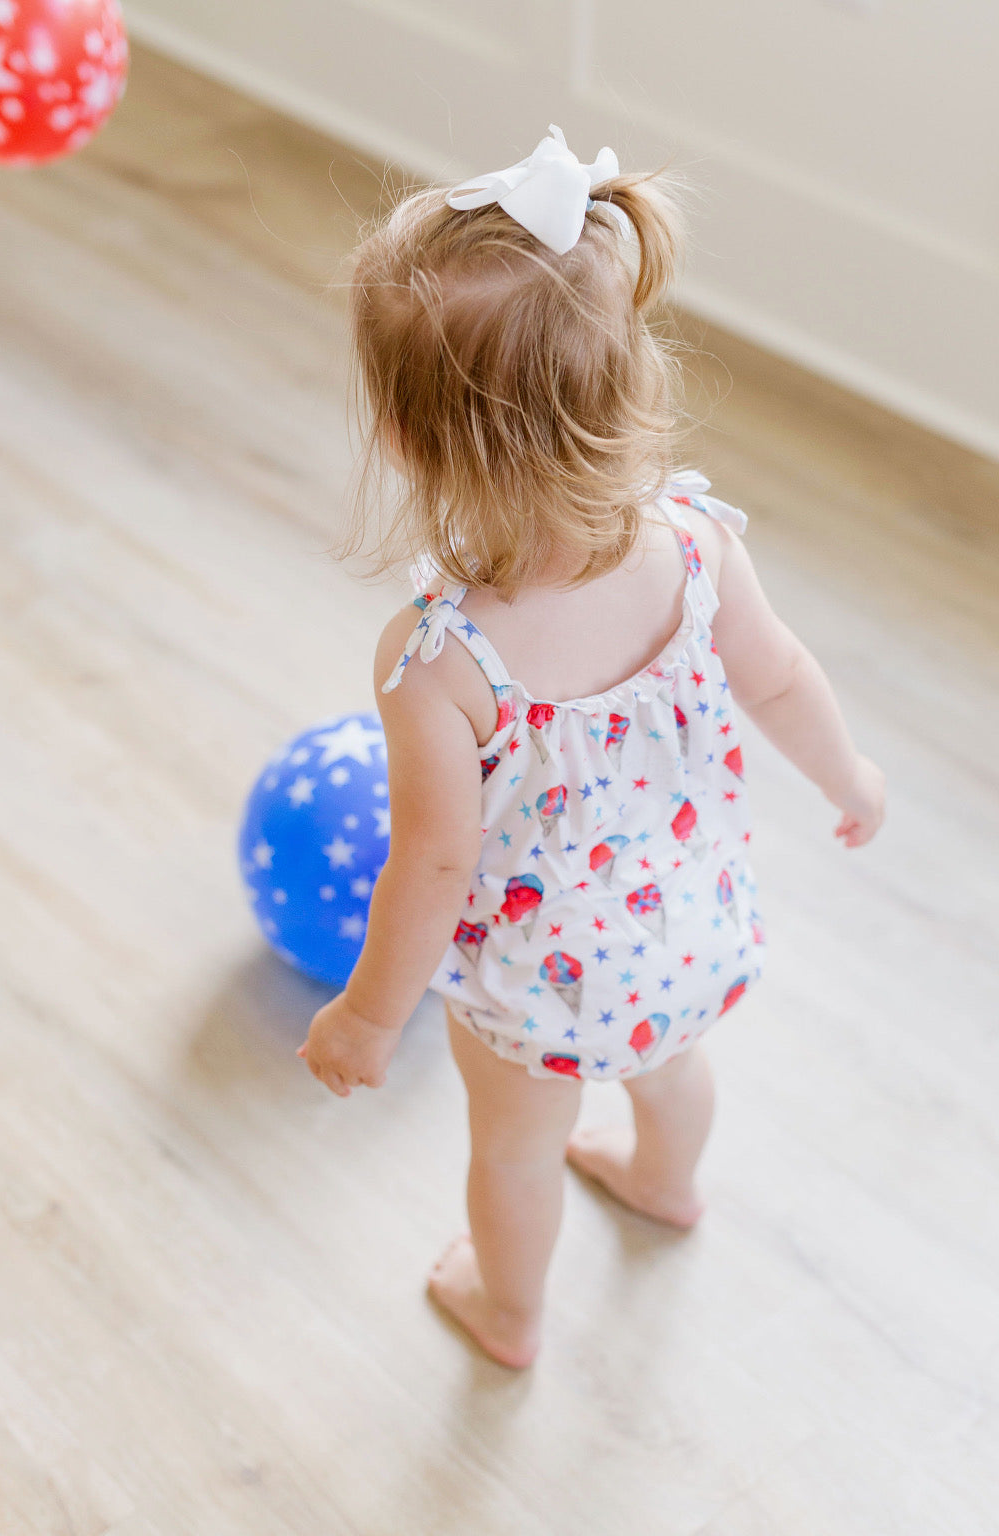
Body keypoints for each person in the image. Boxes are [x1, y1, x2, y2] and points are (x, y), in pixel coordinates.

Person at [297, 125, 886, 1368]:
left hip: (535, 984)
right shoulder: (695, 543)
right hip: (681, 931)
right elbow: (779, 677)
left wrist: (365, 1013)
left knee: (513, 1147)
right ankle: (665, 1183)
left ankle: (507, 1311)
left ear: (409, 439)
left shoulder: (437, 660)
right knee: (670, 1074)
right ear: (630, 382)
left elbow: (436, 866)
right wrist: (849, 776)